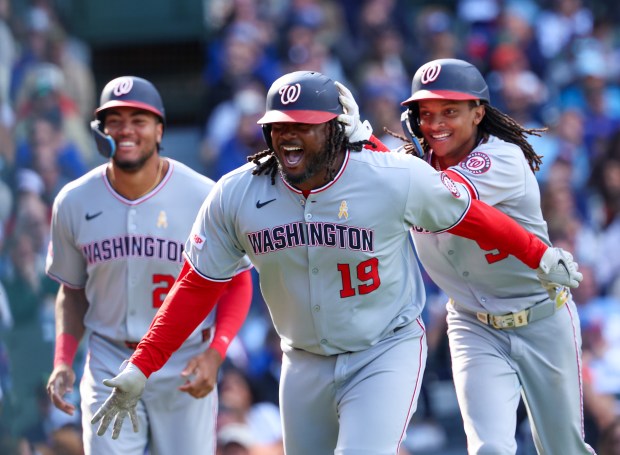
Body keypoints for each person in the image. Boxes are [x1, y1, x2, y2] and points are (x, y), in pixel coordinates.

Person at [89, 71, 581, 455]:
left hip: (383, 348)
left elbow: (470, 215)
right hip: (302, 359)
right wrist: (142, 365)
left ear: (335, 128)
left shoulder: (389, 175)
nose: (288, 137)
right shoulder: (237, 193)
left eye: (303, 125)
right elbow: (197, 284)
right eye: (278, 127)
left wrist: (541, 254)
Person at [393, 58, 594, 453]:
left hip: (541, 316)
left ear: (479, 113)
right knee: (488, 448)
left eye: (450, 111)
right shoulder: (408, 170)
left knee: (562, 448)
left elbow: (450, 202)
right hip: (473, 324)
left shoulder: (501, 157)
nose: (436, 123)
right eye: (426, 113)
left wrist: (382, 161)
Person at [44, 76, 254, 455]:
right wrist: (63, 360)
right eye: (115, 120)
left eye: (138, 120)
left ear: (159, 130)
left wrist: (217, 351)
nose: (125, 130)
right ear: (100, 130)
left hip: (184, 359)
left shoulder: (203, 195)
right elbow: (72, 292)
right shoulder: (73, 201)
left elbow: (237, 282)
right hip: (111, 356)